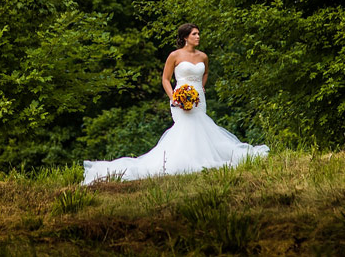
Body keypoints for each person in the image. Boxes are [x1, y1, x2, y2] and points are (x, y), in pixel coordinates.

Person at [82, 23, 269, 184]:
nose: (198, 36)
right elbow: (165, 79)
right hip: (180, 99)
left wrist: (201, 88)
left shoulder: (203, 56)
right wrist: (174, 97)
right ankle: (182, 161)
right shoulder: (175, 56)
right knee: (185, 128)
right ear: (185, 37)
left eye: (198, 33)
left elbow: (205, 73)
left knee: (201, 127)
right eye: (194, 34)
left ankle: (203, 158)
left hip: (199, 100)